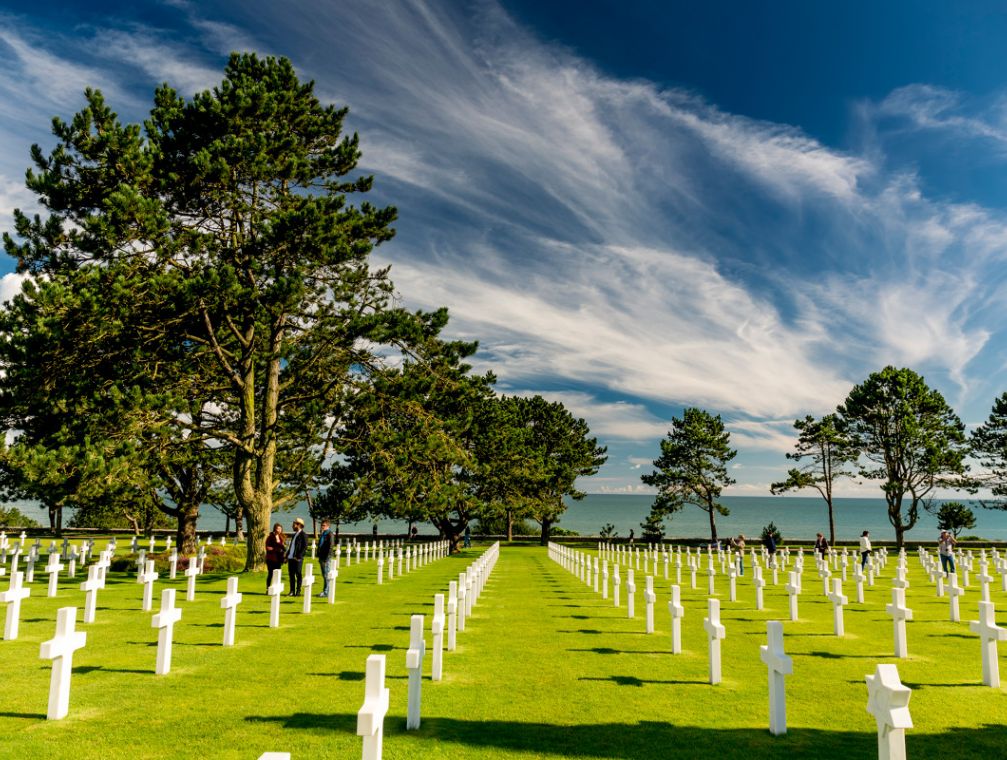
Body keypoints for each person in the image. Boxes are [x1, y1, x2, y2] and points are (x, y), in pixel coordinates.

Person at [286, 517, 307, 596]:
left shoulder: (303, 535)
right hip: (291, 558)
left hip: (297, 558)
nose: (292, 526)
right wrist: (287, 556)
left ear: (299, 525)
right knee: (291, 575)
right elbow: (292, 547)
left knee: (298, 574)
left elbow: (304, 547)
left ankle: (298, 591)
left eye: (294, 524)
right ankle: (292, 591)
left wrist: (299, 557)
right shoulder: (294, 535)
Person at [265, 523, 285, 592]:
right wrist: (275, 549)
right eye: (277, 528)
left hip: (278, 559)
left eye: (280, 528)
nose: (279, 530)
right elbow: (268, 548)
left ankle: (276, 586)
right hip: (271, 559)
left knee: (278, 573)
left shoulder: (281, 538)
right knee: (270, 573)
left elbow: (282, 548)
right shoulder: (270, 537)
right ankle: (268, 588)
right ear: (275, 529)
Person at [316, 519, 332, 598]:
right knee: (324, 574)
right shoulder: (323, 534)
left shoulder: (329, 534)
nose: (322, 527)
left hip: (326, 558)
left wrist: (326, 557)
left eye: (324, 525)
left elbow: (330, 546)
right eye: (321, 525)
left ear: (328, 526)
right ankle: (325, 590)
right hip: (321, 557)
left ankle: (326, 591)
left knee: (326, 574)